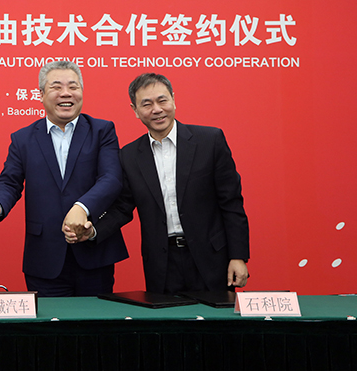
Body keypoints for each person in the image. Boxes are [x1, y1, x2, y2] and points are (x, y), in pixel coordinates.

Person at [67, 73, 249, 294]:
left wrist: (238, 256)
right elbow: (122, 208)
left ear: (173, 99)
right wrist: (93, 231)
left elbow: (231, 202)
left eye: (162, 100)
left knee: (215, 317)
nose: (157, 109)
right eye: (147, 104)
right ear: (135, 110)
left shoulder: (210, 141)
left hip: (212, 258)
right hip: (162, 264)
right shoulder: (129, 156)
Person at [0, 60, 128, 297]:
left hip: (94, 253)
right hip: (44, 257)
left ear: (81, 92)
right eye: (56, 87)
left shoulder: (102, 131)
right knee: (49, 321)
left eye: (73, 86)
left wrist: (82, 207)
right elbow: (10, 182)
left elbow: (111, 179)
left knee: (96, 320)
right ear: (41, 94)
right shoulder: (23, 139)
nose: (66, 93)